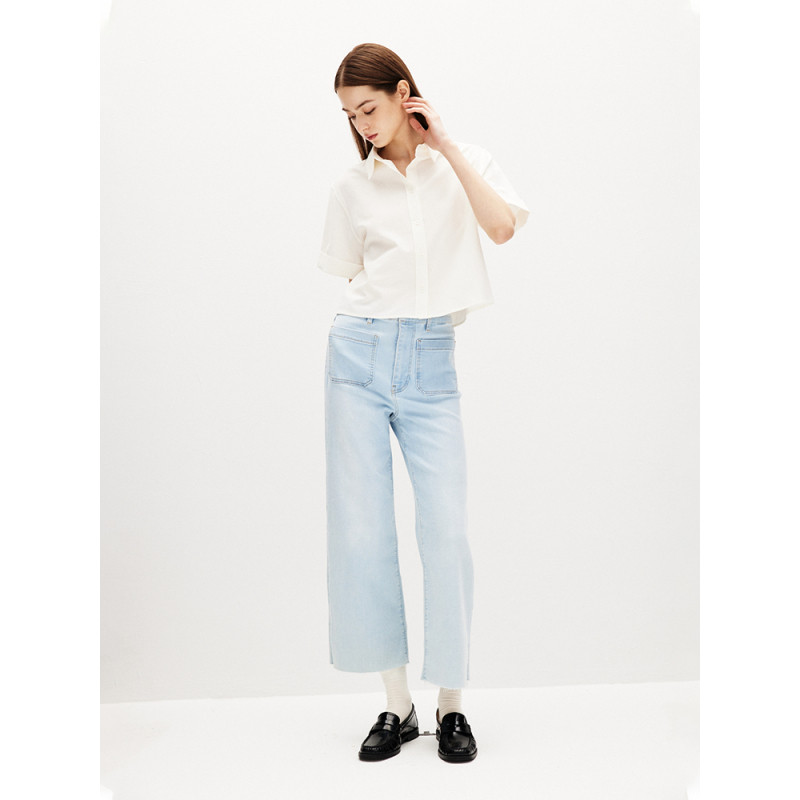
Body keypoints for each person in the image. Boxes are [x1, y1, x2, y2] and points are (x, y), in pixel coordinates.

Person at [318, 43, 529, 763]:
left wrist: (444, 146)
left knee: (445, 532)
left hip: (432, 360)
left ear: (403, 92)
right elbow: (353, 276)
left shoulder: (463, 162)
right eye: (350, 115)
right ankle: (397, 705)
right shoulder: (352, 186)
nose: (363, 124)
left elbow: (501, 227)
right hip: (358, 354)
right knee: (362, 534)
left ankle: (451, 706)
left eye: (369, 107)